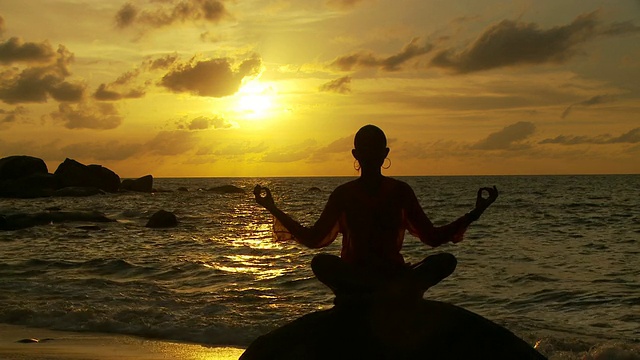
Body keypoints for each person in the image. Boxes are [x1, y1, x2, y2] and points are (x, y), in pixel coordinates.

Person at [254, 124, 498, 305]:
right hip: (358, 277)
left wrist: (476, 212)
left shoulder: (400, 192)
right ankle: (377, 293)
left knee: (445, 261)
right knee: (321, 263)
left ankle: (376, 293)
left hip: (392, 278)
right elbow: (315, 239)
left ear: (384, 153)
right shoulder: (344, 194)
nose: (370, 155)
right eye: (366, 150)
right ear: (356, 155)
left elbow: (431, 237)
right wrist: (273, 209)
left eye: (374, 150)